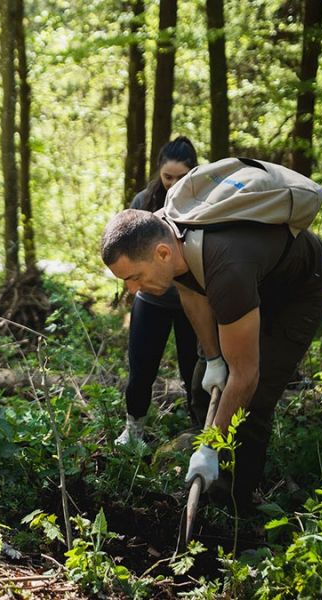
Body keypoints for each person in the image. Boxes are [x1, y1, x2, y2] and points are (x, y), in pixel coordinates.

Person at [100, 200, 322, 507]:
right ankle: (208, 473)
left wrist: (212, 446)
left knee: (250, 402)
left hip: (296, 290)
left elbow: (246, 375)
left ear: (162, 253)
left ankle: (232, 506)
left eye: (134, 276)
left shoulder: (227, 269)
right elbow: (189, 290)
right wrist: (213, 358)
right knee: (203, 385)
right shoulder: (164, 233)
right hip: (251, 277)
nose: (132, 290)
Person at [117, 137, 199, 445]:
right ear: (159, 173)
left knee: (194, 370)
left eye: (182, 177)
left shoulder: (205, 203)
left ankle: (200, 428)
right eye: (168, 177)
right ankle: (134, 429)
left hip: (193, 302)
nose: (174, 184)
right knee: (141, 368)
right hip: (151, 300)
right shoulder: (144, 202)